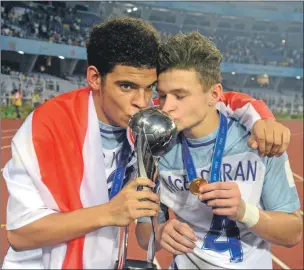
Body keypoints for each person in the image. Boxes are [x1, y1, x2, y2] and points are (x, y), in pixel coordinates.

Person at [2, 18, 291, 269]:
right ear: (94, 78)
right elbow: (20, 234)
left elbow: (210, 100)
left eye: (149, 88)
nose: (144, 102)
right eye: (126, 86)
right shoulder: (48, 128)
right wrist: (112, 214)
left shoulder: (149, 124)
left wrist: (260, 115)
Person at [135, 32, 302, 269]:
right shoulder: (156, 150)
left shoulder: (258, 141)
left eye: (180, 96)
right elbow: (144, 233)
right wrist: (160, 231)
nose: (167, 107)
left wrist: (245, 212)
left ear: (214, 95)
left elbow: (293, 232)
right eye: (162, 95)